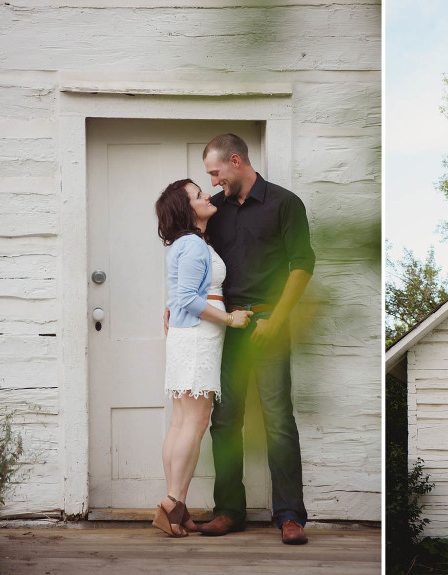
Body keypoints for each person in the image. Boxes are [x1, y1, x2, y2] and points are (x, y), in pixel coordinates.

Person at [194, 134, 315, 544]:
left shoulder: (285, 203)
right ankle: (229, 511)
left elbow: (302, 265)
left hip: (270, 327)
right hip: (228, 329)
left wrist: (276, 322)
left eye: (215, 172)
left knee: (278, 420)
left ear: (235, 161)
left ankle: (289, 516)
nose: (212, 180)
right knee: (225, 420)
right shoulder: (217, 210)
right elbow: (199, 262)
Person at [153, 179, 253, 537]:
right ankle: (171, 505)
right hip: (198, 339)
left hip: (187, 338)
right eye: (198, 196)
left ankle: (175, 505)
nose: (206, 196)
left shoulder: (186, 244)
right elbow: (190, 299)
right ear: (187, 210)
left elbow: (178, 292)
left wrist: (170, 306)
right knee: (193, 425)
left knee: (181, 423)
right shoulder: (194, 244)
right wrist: (230, 318)